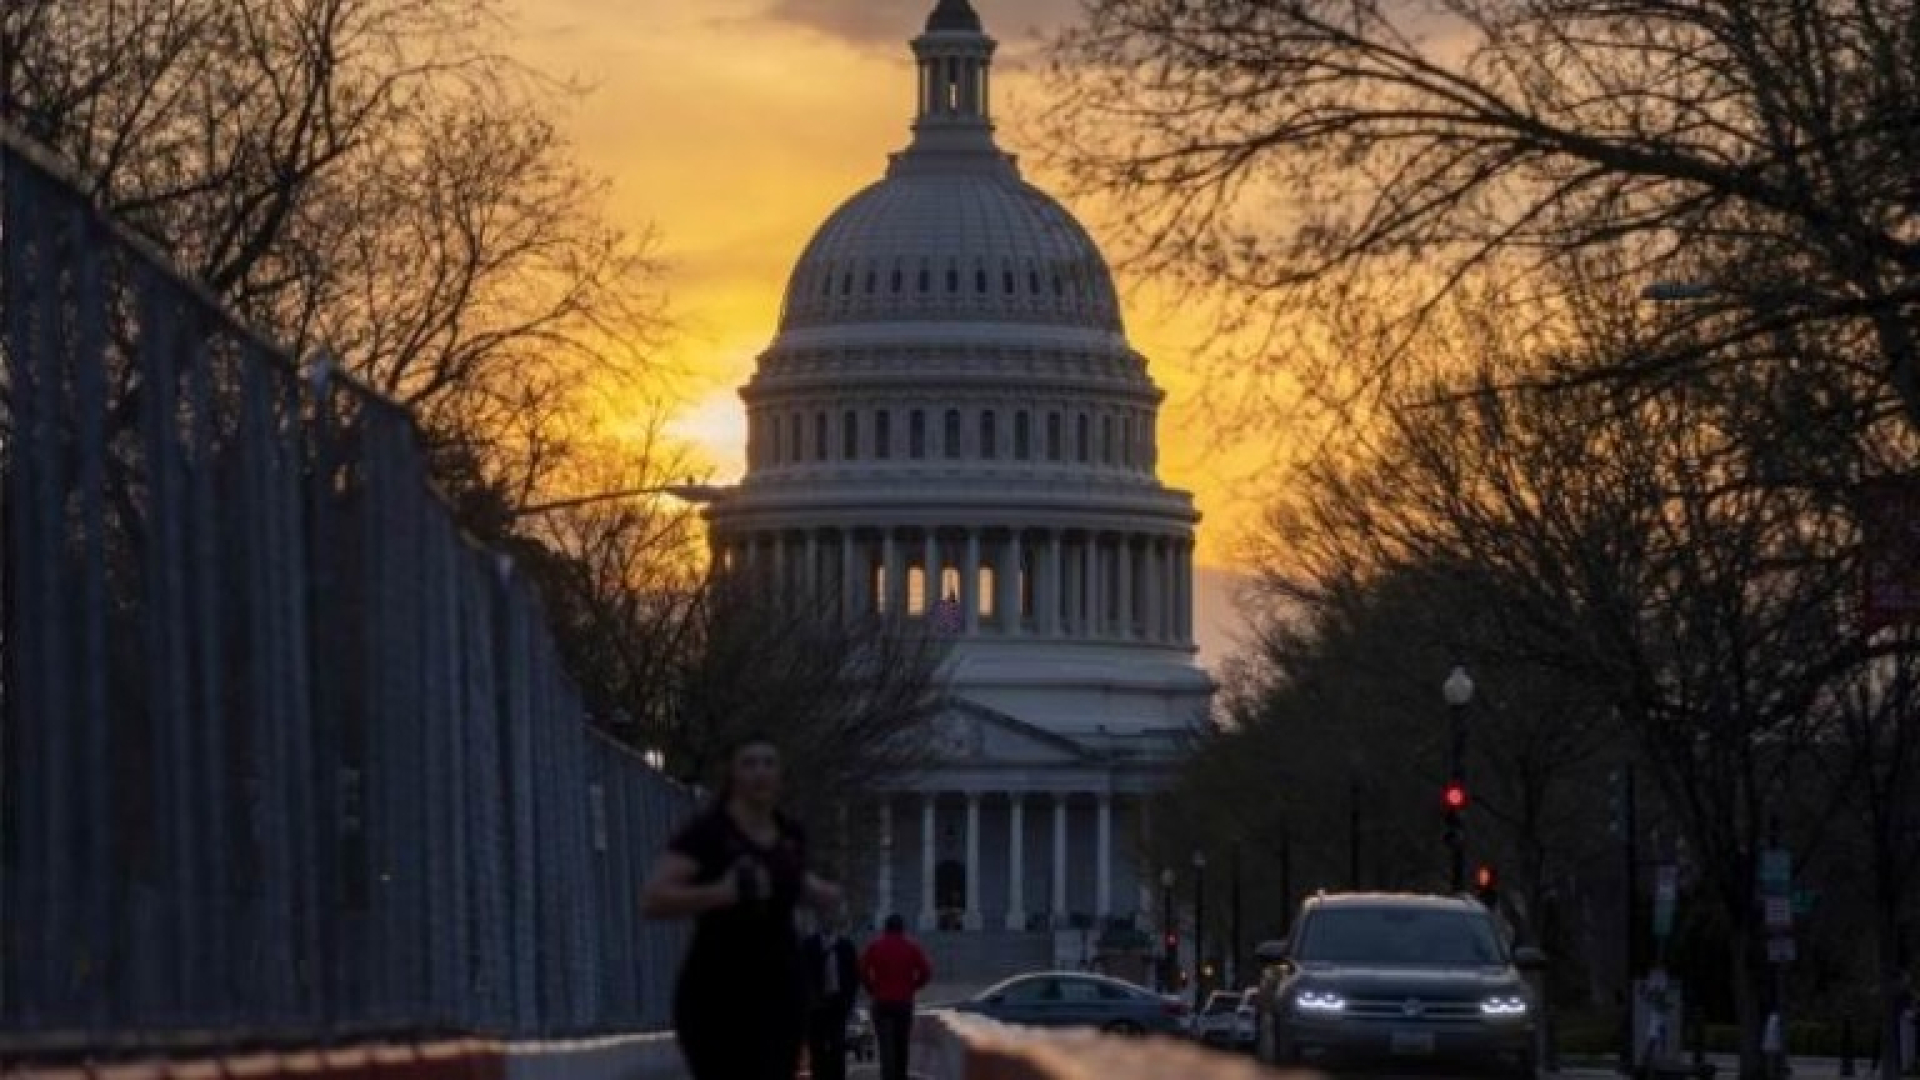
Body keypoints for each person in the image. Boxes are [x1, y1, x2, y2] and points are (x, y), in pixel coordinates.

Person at [640, 735, 842, 1080]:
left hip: (780, 989)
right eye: (749, 763)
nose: (759, 772)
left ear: (780, 776)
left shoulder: (791, 834)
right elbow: (653, 898)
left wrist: (819, 891)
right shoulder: (708, 833)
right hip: (717, 989)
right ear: (731, 774)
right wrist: (721, 893)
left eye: (768, 763)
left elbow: (788, 876)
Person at [861, 914, 932, 1080]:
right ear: (902, 928)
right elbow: (927, 972)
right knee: (901, 1043)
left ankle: (887, 1075)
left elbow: (862, 970)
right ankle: (900, 1075)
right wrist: (913, 986)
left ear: (885, 927)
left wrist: (872, 988)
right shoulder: (911, 947)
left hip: (881, 1002)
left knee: (885, 1045)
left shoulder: (875, 946)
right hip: (903, 1003)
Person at [802, 913, 859, 1080]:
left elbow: (853, 977)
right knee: (817, 1045)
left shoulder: (846, 946)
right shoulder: (809, 945)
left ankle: (837, 1075)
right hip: (815, 1005)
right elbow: (803, 974)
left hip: (838, 1004)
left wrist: (849, 1000)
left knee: (837, 1045)